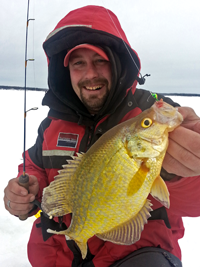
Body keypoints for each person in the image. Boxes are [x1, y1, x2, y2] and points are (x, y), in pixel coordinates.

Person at [3, 5, 200, 267]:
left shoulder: (156, 116)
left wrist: (181, 172)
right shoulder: (52, 123)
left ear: (117, 64)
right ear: (66, 72)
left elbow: (195, 202)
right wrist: (24, 193)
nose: (90, 74)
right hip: (55, 256)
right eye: (78, 64)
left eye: (100, 61)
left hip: (135, 255)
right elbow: (35, 166)